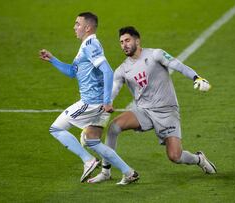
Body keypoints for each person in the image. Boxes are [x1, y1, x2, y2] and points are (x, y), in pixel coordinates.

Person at [87, 26, 216, 183]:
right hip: (144, 112)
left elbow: (178, 65)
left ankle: (199, 159)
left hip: (167, 112)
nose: (124, 45)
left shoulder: (156, 55)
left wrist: (197, 78)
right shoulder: (122, 70)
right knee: (114, 127)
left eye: (127, 40)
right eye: (121, 42)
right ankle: (106, 171)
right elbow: (113, 90)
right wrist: (107, 102)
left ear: (137, 40)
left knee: (175, 156)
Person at [39, 13, 139, 185]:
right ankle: (129, 172)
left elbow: (107, 71)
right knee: (92, 141)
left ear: (87, 28)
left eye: (77, 24)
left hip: (91, 102)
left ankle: (88, 160)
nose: (74, 27)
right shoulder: (86, 45)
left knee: (56, 129)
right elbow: (72, 72)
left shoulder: (90, 45)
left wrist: (107, 101)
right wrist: (53, 60)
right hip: (98, 103)